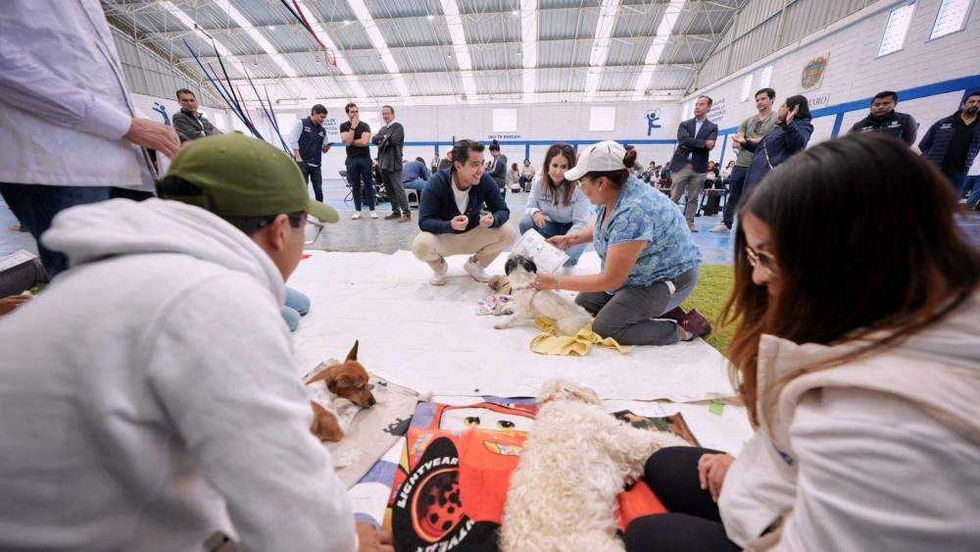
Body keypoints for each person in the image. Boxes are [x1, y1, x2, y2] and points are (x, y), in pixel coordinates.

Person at [0, 134, 394, 551]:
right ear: (280, 230)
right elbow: (287, 504)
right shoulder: (215, 300)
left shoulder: (109, 275)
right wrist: (346, 542)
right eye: (306, 228)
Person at [625, 133, 980, 551]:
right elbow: (792, 450)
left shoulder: (887, 419)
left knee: (650, 536)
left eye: (766, 258)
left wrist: (750, 502)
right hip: (793, 497)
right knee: (665, 465)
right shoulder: (887, 317)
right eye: (753, 257)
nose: (757, 277)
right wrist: (747, 473)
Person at [0, 1, 180, 277]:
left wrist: (135, 125)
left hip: (121, 157)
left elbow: (95, 73)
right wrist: (122, 124)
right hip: (57, 162)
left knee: (152, 275)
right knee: (95, 285)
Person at [534, 141, 706, 346]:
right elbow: (606, 228)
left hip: (665, 278)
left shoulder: (633, 212)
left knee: (607, 328)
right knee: (584, 305)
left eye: (582, 182)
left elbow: (612, 280)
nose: (581, 188)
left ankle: (684, 329)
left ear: (602, 182)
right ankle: (653, 308)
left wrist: (555, 282)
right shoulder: (614, 191)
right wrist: (569, 239)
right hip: (638, 273)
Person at [412, 139, 515, 285]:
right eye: (475, 165)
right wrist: (449, 225)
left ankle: (476, 265)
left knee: (508, 233)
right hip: (445, 237)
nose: (481, 170)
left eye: (482, 163)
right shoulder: (437, 182)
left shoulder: (484, 180)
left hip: (473, 234)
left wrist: (494, 220)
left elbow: (502, 210)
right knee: (420, 245)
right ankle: (439, 268)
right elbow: (424, 221)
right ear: (458, 166)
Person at [712, 88, 777, 233]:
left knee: (757, 198)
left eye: (763, 99)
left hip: (761, 166)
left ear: (772, 99)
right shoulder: (748, 121)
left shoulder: (776, 119)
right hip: (741, 164)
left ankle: (753, 227)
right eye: (757, 100)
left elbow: (771, 140)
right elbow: (736, 142)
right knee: (734, 195)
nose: (760, 102)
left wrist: (746, 140)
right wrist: (752, 140)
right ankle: (726, 222)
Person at [519, 144, 592, 266]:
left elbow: (580, 222)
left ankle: (563, 255)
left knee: (566, 262)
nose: (558, 171)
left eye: (564, 167)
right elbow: (530, 206)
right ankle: (539, 254)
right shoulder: (538, 183)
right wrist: (535, 212)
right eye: (555, 165)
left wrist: (566, 240)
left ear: (571, 168)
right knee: (525, 222)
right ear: (548, 165)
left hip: (571, 228)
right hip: (549, 226)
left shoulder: (579, 188)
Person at [735, 94, 813, 199]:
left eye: (783, 106)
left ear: (792, 110)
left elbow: (798, 145)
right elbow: (763, 147)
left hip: (769, 181)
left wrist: (790, 125)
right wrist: (745, 143)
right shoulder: (780, 128)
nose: (779, 109)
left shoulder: (803, 126)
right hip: (757, 177)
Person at [670, 95, 719, 232]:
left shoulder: (712, 127)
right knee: (674, 196)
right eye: (696, 104)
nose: (697, 107)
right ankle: (668, 221)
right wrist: (703, 143)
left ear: (709, 107)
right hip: (682, 165)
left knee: (693, 198)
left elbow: (711, 145)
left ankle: (689, 222)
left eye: (701, 104)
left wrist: (691, 143)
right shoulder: (684, 124)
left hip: (699, 167)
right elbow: (683, 140)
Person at [919, 91, 980, 197]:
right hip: (934, 168)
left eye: (979, 102)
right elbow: (924, 145)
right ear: (964, 104)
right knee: (923, 196)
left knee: (950, 200)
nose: (975, 104)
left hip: (959, 172)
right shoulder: (943, 122)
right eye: (971, 101)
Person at [340, 102, 377, 219]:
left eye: (356, 111)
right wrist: (353, 128)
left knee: (369, 184)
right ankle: (358, 210)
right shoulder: (344, 126)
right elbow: (347, 142)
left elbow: (365, 142)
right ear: (347, 113)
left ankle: (372, 210)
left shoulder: (365, 125)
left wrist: (350, 141)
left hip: (365, 159)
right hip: (352, 160)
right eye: (352, 112)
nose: (355, 114)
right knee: (355, 186)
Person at [373, 105, 410, 221]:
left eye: (387, 113)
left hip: (394, 163)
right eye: (383, 114)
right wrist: (384, 138)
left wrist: (382, 140)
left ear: (393, 114)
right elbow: (374, 140)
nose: (385, 116)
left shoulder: (398, 127)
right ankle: (396, 211)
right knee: (389, 189)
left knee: (398, 189)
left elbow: (392, 141)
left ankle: (407, 213)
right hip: (383, 164)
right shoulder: (383, 129)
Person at [289, 104, 331, 203]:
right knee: (303, 189)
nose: (323, 120)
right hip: (302, 163)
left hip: (316, 165)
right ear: (314, 113)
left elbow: (324, 150)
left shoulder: (322, 131)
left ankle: (320, 211)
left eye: (324, 118)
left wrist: (326, 148)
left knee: (319, 190)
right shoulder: (301, 123)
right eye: (321, 117)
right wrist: (298, 158)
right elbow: (293, 140)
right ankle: (301, 211)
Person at [848, 90, 917, 145]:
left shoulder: (905, 119)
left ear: (894, 104)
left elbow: (909, 142)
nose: (881, 107)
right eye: (877, 105)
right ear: (871, 107)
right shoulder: (858, 126)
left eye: (886, 103)